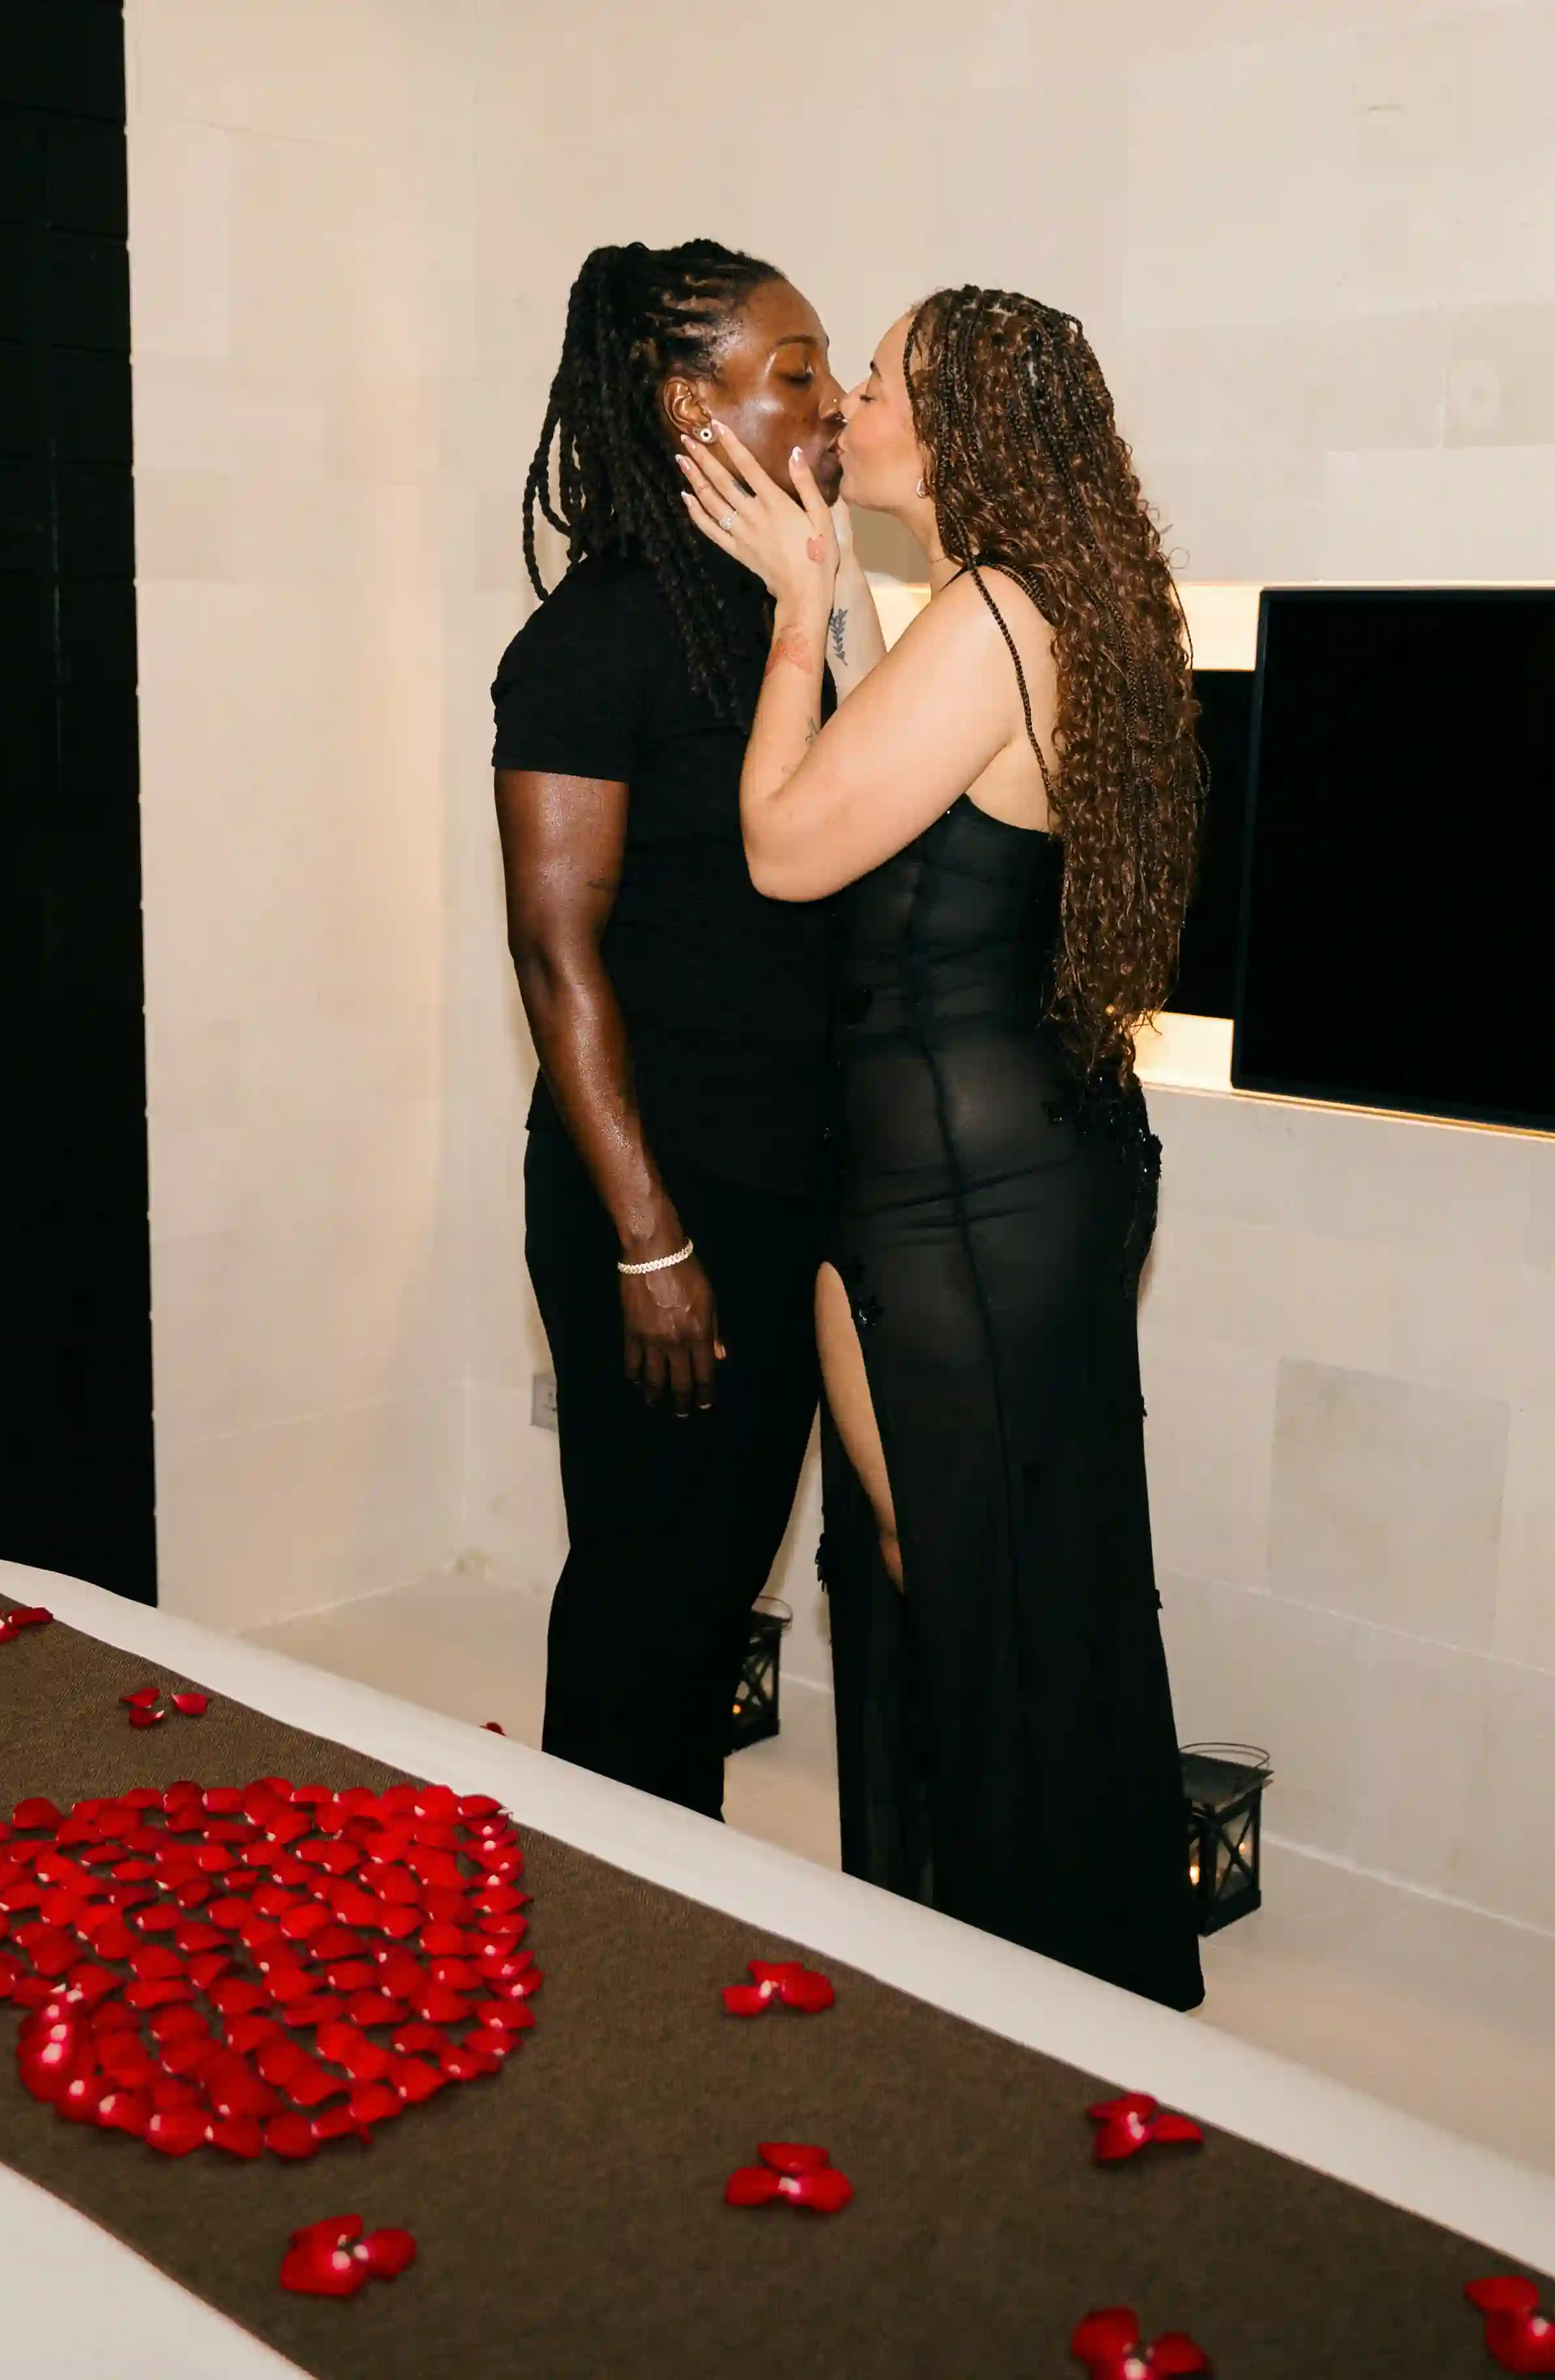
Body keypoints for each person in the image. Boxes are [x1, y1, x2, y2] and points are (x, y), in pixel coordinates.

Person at [679, 286, 1209, 2008]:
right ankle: (1014, 1971)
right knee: (993, 1585)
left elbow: (782, 848)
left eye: (885, 384)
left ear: (966, 423)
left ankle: (1017, 1998)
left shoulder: (988, 612)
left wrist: (798, 606)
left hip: (965, 1193)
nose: (849, 412)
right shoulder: (1074, 596)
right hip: (1025, 1158)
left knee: (969, 1603)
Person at [492, 240, 887, 1817]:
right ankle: (596, 1930)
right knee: (651, 1601)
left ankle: (674, 1911)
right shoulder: (594, 637)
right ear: (682, 404)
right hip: (659, 1196)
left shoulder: (771, 614)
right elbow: (554, 943)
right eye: (794, 373)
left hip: (785, 1181)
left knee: (718, 1589)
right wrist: (648, 1240)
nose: (832, 404)